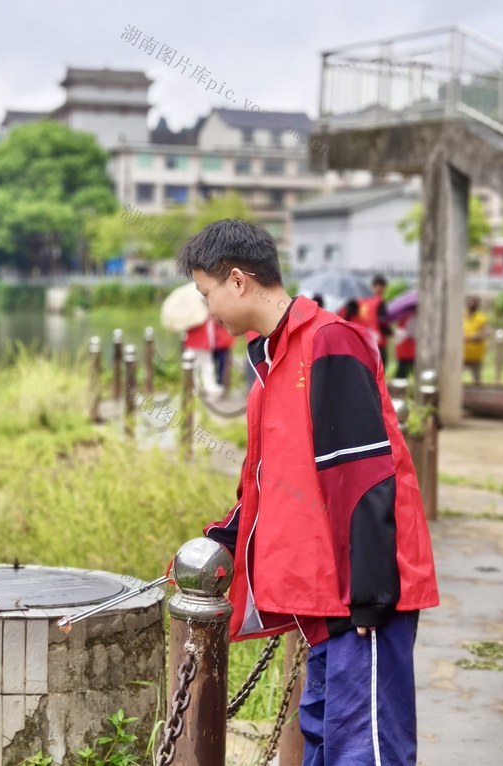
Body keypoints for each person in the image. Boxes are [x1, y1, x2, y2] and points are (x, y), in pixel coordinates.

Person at [177, 219, 438, 766]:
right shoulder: (272, 357)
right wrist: (224, 537)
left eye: (209, 294)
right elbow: (269, 478)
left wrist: (368, 599)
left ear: (240, 281)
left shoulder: (330, 342)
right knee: (324, 739)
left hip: (358, 598)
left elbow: (364, 473)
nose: (210, 311)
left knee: (365, 751)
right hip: (323, 599)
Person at [358, 275, 392, 370]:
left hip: (366, 341)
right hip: (378, 342)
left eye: (380, 286)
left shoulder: (364, 302)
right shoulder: (379, 302)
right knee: (380, 370)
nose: (379, 288)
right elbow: (382, 322)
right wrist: (391, 333)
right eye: (377, 286)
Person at [463, 295, 489, 384]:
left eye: (474, 302)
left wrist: (468, 338)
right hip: (461, 355)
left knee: (476, 381)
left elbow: (484, 333)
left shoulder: (482, 318)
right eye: (470, 301)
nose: (471, 304)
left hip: (476, 356)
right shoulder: (461, 316)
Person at [394, 308, 417, 380]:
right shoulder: (412, 318)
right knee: (405, 372)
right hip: (409, 350)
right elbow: (413, 333)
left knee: (402, 372)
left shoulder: (403, 317)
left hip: (403, 349)